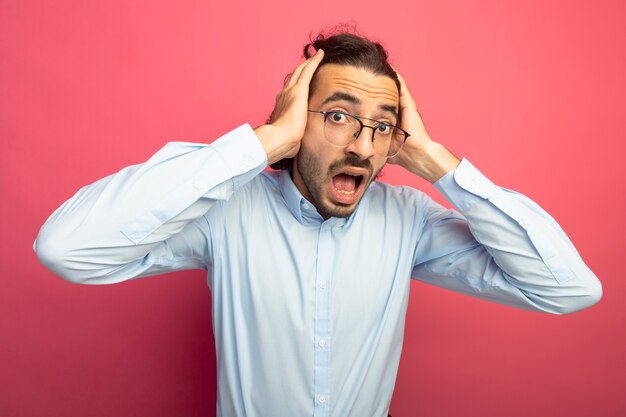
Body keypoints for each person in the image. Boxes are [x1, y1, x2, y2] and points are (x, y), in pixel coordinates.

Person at [34, 31, 602, 417]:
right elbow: (67, 249)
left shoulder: (409, 224)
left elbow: (569, 289)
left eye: (382, 126)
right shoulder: (228, 211)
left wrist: (436, 162)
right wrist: (265, 142)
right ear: (294, 117)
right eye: (337, 116)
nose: (362, 144)